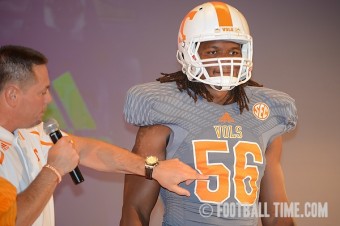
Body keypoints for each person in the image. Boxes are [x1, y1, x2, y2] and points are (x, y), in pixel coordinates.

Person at [120, 1, 297, 226]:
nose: (226, 60)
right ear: (190, 52)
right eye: (213, 51)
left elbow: (276, 213)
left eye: (233, 51)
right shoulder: (163, 107)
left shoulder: (267, 112)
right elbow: (135, 210)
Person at [0, 44, 208, 226]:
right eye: (42, 92)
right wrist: (53, 170)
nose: (50, 100)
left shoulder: (33, 133)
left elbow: (91, 150)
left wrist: (153, 168)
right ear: (12, 95)